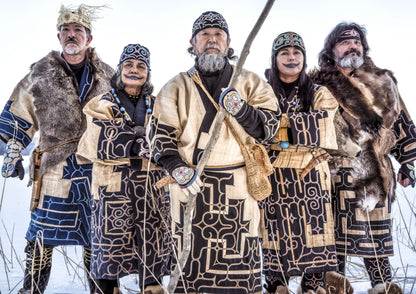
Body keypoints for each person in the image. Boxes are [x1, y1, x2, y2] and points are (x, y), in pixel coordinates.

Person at [148, 11, 281, 294]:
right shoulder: (175, 86)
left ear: (228, 42)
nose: (212, 40)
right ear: (193, 43)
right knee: (189, 268)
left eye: (218, 35)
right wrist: (176, 168)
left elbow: (270, 127)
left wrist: (242, 110)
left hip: (239, 188)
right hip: (189, 186)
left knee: (240, 270)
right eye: (204, 35)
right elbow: (159, 135)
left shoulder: (251, 82)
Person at [0, 4, 113, 294]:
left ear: (89, 38)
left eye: (78, 31)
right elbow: (18, 118)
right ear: (59, 36)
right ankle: (31, 291)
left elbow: (125, 119)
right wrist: (13, 150)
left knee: (97, 239)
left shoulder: (108, 76)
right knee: (40, 238)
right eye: (66, 30)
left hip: (97, 173)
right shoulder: (39, 75)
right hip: (53, 172)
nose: (71, 35)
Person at [310, 22, 416, 293]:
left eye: (356, 41)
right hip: (332, 174)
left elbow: (402, 120)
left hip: (375, 172)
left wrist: (407, 162)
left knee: (375, 243)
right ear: (331, 49)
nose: (352, 45)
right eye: (344, 41)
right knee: (332, 243)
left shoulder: (383, 81)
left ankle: (382, 287)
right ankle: (333, 288)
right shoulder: (317, 83)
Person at [77, 43, 171, 294]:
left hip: (152, 187)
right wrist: (135, 143)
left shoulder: (159, 103)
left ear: (148, 73)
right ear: (119, 70)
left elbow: (172, 133)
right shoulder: (101, 103)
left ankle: (151, 288)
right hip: (112, 188)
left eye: (141, 66)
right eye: (128, 65)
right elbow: (93, 139)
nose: (134, 70)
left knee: (153, 244)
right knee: (108, 249)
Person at [258, 32, 340, 294]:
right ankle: (276, 287)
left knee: (315, 250)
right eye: (284, 53)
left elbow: (323, 129)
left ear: (304, 57)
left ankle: (312, 288)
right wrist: (300, 137)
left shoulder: (319, 92)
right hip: (272, 180)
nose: (291, 57)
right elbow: (253, 128)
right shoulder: (260, 91)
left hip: (311, 180)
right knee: (273, 242)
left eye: (297, 52)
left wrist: (278, 129)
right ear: (275, 58)